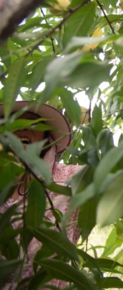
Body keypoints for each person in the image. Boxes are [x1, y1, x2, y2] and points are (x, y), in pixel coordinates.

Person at [0, 101, 81, 289]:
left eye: (34, 123)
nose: (23, 127)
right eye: (12, 123)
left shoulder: (70, 181)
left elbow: (121, 177)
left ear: (45, 139)